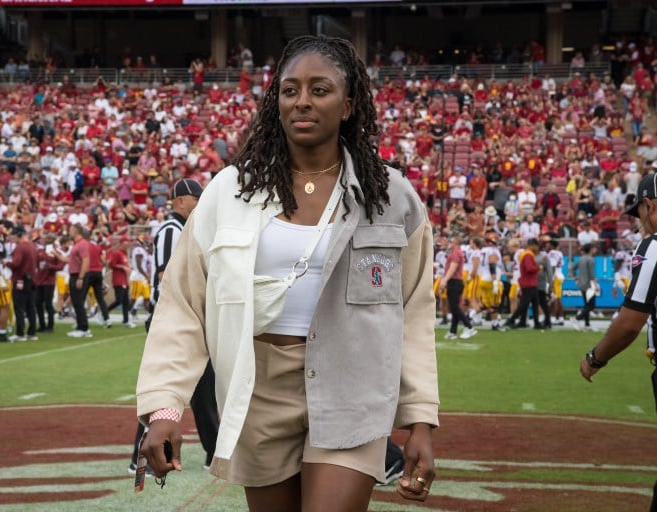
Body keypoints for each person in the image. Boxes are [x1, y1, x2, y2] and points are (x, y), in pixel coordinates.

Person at [136, 35, 438, 510]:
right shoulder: (228, 192)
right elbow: (182, 305)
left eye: (320, 90)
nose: (303, 101)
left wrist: (419, 419)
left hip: (352, 385)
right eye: (290, 89)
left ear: (348, 104)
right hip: (259, 390)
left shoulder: (393, 197)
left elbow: (415, 312)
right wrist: (166, 406)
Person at [129, 178, 219, 475]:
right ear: (180, 200)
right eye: (196, 198)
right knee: (182, 390)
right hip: (176, 320)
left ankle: (204, 451)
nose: (200, 203)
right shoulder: (173, 229)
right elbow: (170, 274)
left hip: (184, 317)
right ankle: (207, 452)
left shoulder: (185, 227)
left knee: (183, 392)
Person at [579, 172, 657, 512]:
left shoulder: (653, 247)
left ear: (649, 205)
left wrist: (595, 357)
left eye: (639, 212)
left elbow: (629, 322)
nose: (640, 221)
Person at [439, 235, 478, 340]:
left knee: (454, 307)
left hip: (454, 282)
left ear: (455, 242)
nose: (449, 243)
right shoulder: (457, 252)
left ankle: (469, 326)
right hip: (456, 281)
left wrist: (444, 280)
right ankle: (453, 331)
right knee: (454, 306)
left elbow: (453, 268)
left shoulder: (456, 253)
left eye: (451, 241)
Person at [7, 226, 38, 341]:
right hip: (32, 279)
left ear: (19, 235)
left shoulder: (20, 247)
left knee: (19, 306)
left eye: (14, 236)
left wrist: (6, 263)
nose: (13, 239)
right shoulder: (33, 246)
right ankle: (32, 332)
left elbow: (16, 263)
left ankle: (20, 333)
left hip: (21, 279)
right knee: (30, 307)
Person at [502, 238, 541, 330]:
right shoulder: (527, 254)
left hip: (527, 281)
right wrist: (538, 268)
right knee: (524, 303)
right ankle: (512, 319)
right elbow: (529, 268)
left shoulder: (522, 253)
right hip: (528, 281)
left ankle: (533, 322)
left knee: (534, 303)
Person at [67, 224, 92, 338]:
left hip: (78, 274)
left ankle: (84, 327)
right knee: (76, 302)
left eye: (71, 230)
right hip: (75, 274)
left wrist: (81, 277)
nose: (69, 232)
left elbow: (85, 261)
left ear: (76, 231)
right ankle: (80, 326)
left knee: (78, 302)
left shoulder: (82, 244)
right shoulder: (77, 244)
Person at [571, 243, 599, 331]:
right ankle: (576, 318)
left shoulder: (581, 258)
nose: (595, 250)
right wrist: (596, 285)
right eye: (594, 248)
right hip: (589, 285)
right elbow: (591, 274)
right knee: (591, 306)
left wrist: (576, 278)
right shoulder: (591, 259)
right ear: (590, 249)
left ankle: (587, 324)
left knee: (586, 305)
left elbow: (572, 268)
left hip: (582, 284)